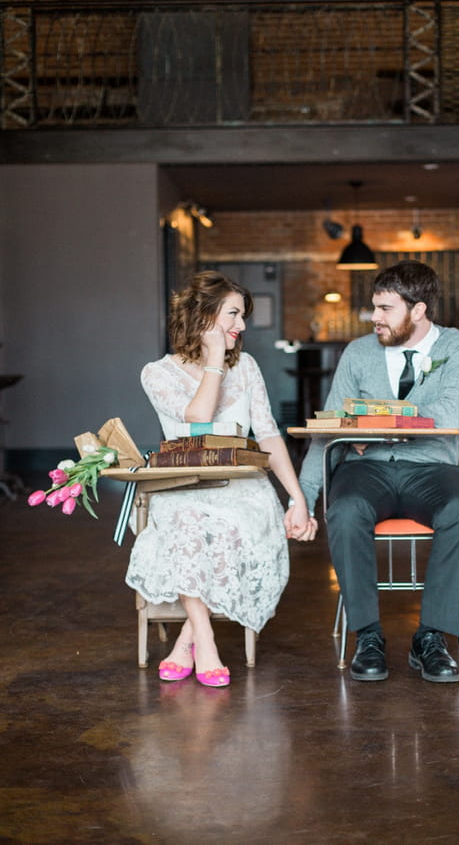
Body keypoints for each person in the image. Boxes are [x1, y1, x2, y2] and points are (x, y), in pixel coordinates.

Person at [126, 270, 317, 687]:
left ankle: (187, 641)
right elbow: (197, 419)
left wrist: (297, 498)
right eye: (233, 314)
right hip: (183, 487)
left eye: (243, 316)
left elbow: (267, 434)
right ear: (203, 317)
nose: (242, 326)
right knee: (190, 524)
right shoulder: (156, 373)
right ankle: (206, 639)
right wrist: (214, 360)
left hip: (242, 489)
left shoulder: (246, 367)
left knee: (229, 528)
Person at [298, 260, 459, 683]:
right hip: (365, 469)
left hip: (432, 467)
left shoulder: (456, 347)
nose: (374, 318)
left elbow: (452, 414)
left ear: (418, 311)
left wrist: (371, 425)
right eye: (374, 308)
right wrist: (303, 499)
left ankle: (431, 637)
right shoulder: (359, 352)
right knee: (343, 511)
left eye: (385, 309)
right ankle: (368, 636)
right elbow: (329, 429)